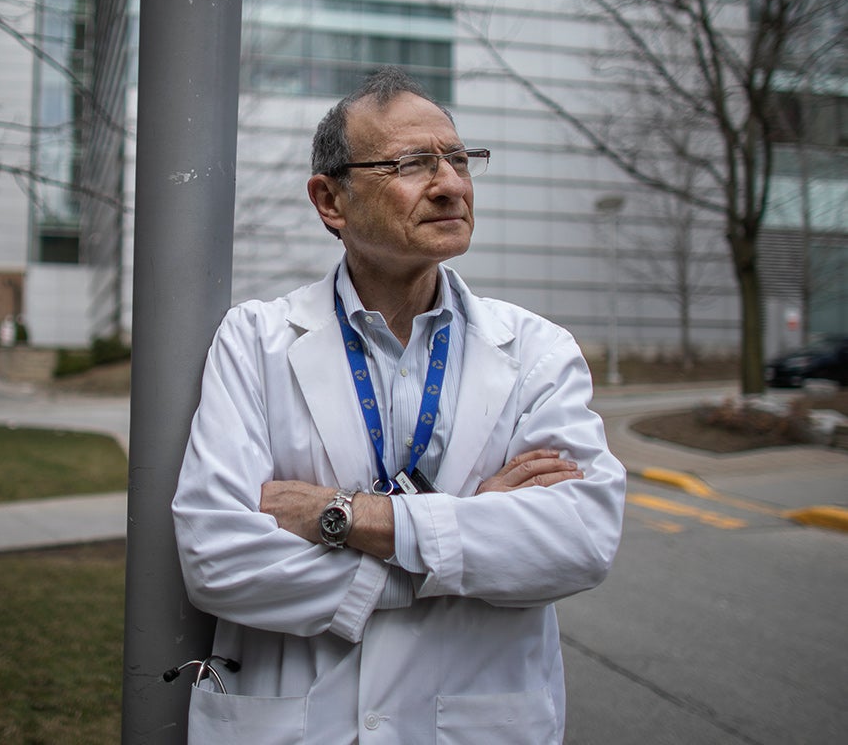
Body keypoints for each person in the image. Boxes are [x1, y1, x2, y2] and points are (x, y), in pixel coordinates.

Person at [172, 67, 626, 743]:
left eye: (460, 159)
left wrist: (345, 516)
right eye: (414, 163)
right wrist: (461, 537)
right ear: (332, 200)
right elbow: (218, 558)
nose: (451, 184)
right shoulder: (255, 340)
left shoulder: (536, 350)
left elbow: (578, 541)